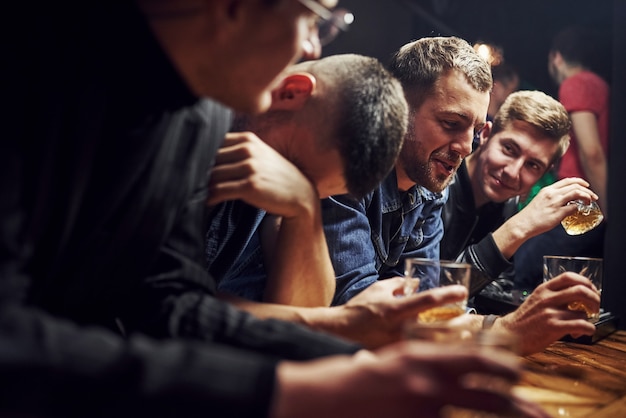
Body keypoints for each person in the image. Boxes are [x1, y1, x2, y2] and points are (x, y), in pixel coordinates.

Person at [1, 1, 543, 417]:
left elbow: (165, 302)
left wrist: (347, 354)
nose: (311, 45)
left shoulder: (199, 111)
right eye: (314, 18)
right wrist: (301, 385)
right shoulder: (37, 57)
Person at [320, 36, 599, 355]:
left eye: (474, 130)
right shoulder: (344, 172)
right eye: (451, 123)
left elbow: (426, 306)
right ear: (397, 106)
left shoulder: (428, 190)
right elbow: (360, 313)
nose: (467, 147)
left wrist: (503, 325)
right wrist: (503, 330)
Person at [206, 53, 408, 307]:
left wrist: (305, 208)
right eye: (293, 170)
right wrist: (336, 323)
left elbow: (305, 306)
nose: (286, 183)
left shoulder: (288, 170)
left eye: (311, 190)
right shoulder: (185, 117)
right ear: (291, 93)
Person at [440, 90, 599, 295]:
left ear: (543, 173)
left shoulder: (509, 202)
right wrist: (518, 228)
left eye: (532, 165)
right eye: (509, 149)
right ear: (486, 135)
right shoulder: (437, 183)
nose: (512, 173)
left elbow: (498, 288)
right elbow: (428, 292)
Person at [513, 25, 610, 289]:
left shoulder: (576, 83)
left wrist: (610, 213)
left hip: (580, 201)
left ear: (556, 57)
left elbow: (592, 151)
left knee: (523, 270)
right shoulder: (599, 85)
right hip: (585, 199)